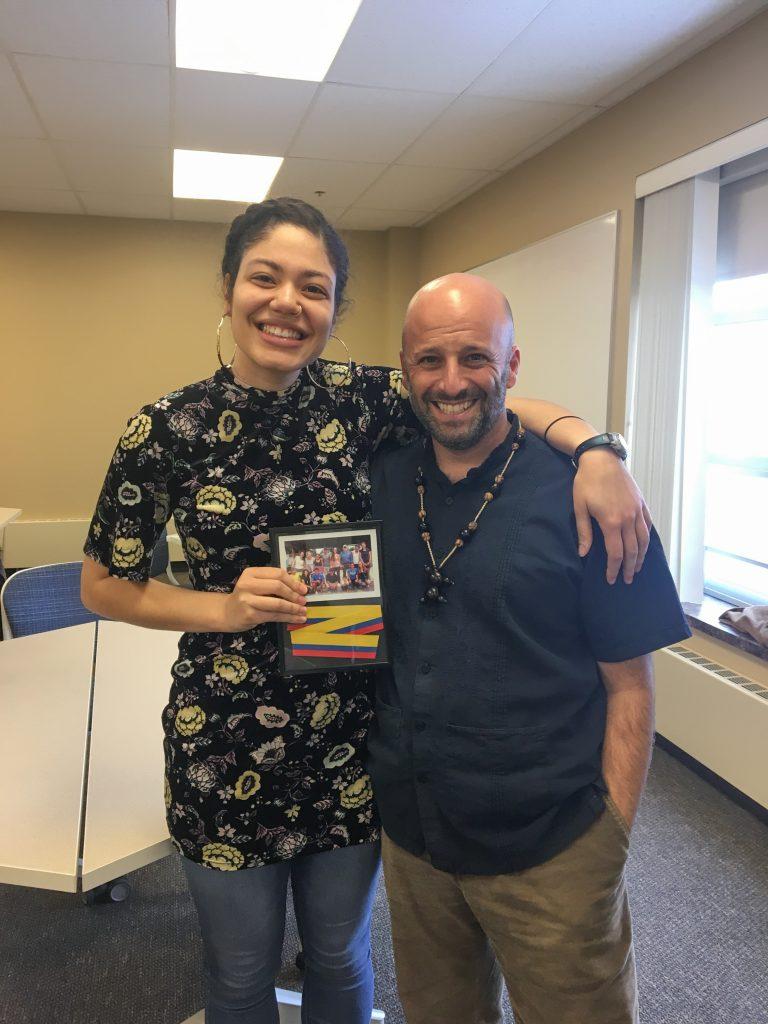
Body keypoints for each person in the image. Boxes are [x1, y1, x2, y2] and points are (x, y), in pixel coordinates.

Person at [80, 196, 652, 1024]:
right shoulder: (166, 429)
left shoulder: (361, 399)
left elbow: (483, 396)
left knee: (342, 958)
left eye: (313, 287)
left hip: (353, 745)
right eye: (265, 278)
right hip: (224, 745)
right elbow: (102, 584)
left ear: (334, 310)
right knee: (239, 971)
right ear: (229, 288)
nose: (287, 303)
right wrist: (223, 608)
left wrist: (597, 449)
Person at [368, 273, 692, 1024]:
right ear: (404, 369)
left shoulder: (596, 500)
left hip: (554, 847)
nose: (451, 383)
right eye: (429, 362)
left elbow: (631, 686)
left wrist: (609, 837)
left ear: (512, 368)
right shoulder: (382, 474)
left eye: (475, 358)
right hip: (417, 841)